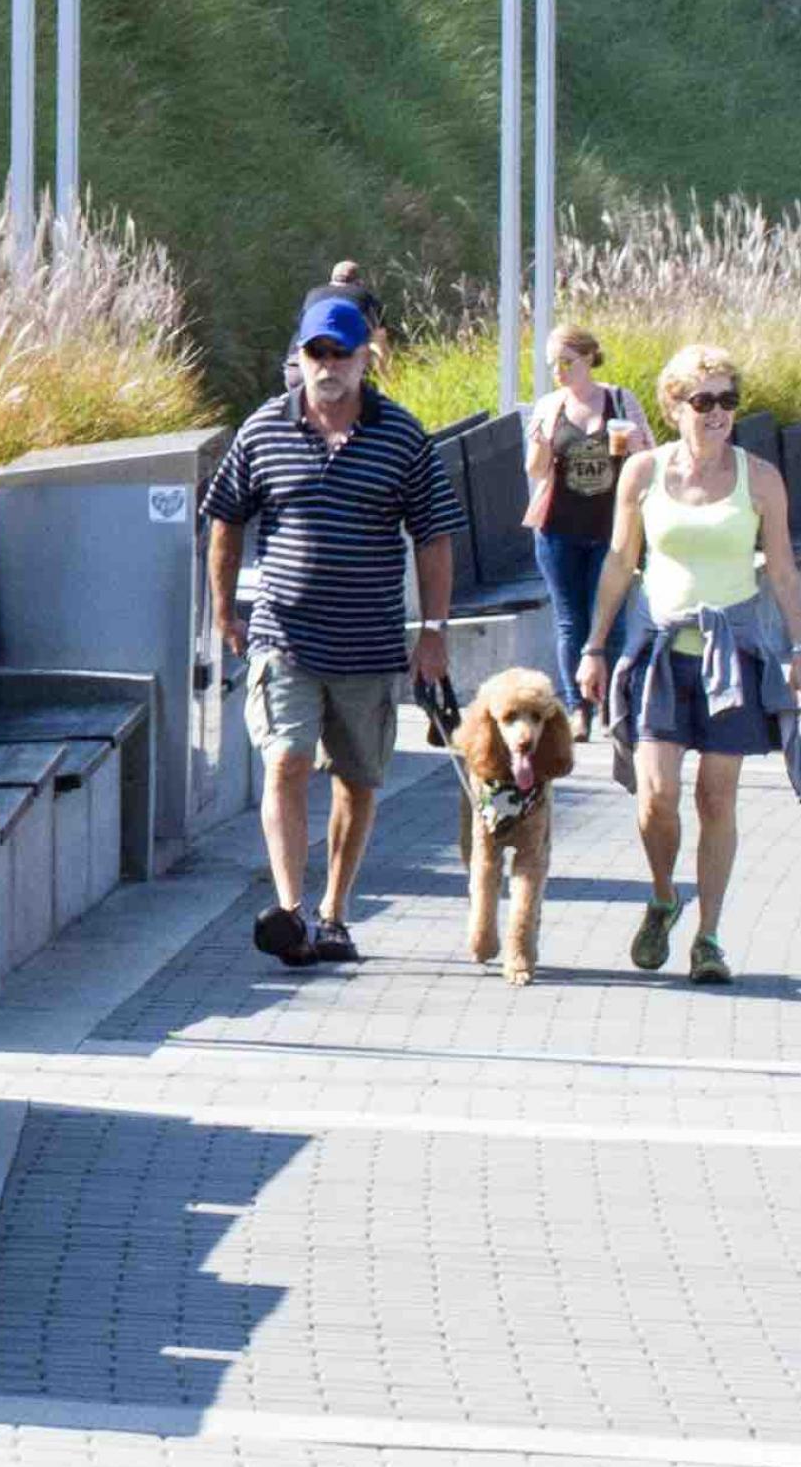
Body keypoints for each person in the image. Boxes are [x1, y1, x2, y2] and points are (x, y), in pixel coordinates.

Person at [204, 289, 466, 966]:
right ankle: (291, 912)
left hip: (370, 640)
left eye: (339, 354)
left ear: (363, 360)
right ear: (299, 356)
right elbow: (227, 520)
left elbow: (434, 536)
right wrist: (224, 607)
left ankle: (334, 912)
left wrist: (433, 632)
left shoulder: (402, 435)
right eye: (314, 352)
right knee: (286, 760)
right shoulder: (263, 429)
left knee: (358, 778)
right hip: (284, 636)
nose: (326, 366)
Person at [579, 343, 801, 986]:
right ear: (673, 406)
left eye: (728, 400)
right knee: (657, 797)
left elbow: (783, 571)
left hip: (734, 657)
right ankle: (662, 896)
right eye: (704, 401)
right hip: (657, 656)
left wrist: (796, 648)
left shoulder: (760, 478)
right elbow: (621, 563)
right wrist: (595, 647)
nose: (718, 413)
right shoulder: (642, 473)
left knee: (717, 796)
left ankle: (708, 935)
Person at [524, 323, 653, 742]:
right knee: (570, 620)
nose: (559, 372)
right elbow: (534, 470)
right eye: (553, 365)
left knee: (609, 618)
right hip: (558, 526)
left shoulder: (620, 400)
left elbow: (650, 459)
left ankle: (612, 707)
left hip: (611, 526)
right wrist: (542, 442)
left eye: (567, 363)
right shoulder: (549, 406)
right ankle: (576, 710)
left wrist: (633, 443)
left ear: (589, 359)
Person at [282, 258, 389, 390]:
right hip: (341, 369)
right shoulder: (364, 297)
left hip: (297, 368)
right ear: (359, 282)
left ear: (331, 281)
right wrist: (388, 382)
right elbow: (379, 345)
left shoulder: (313, 295)